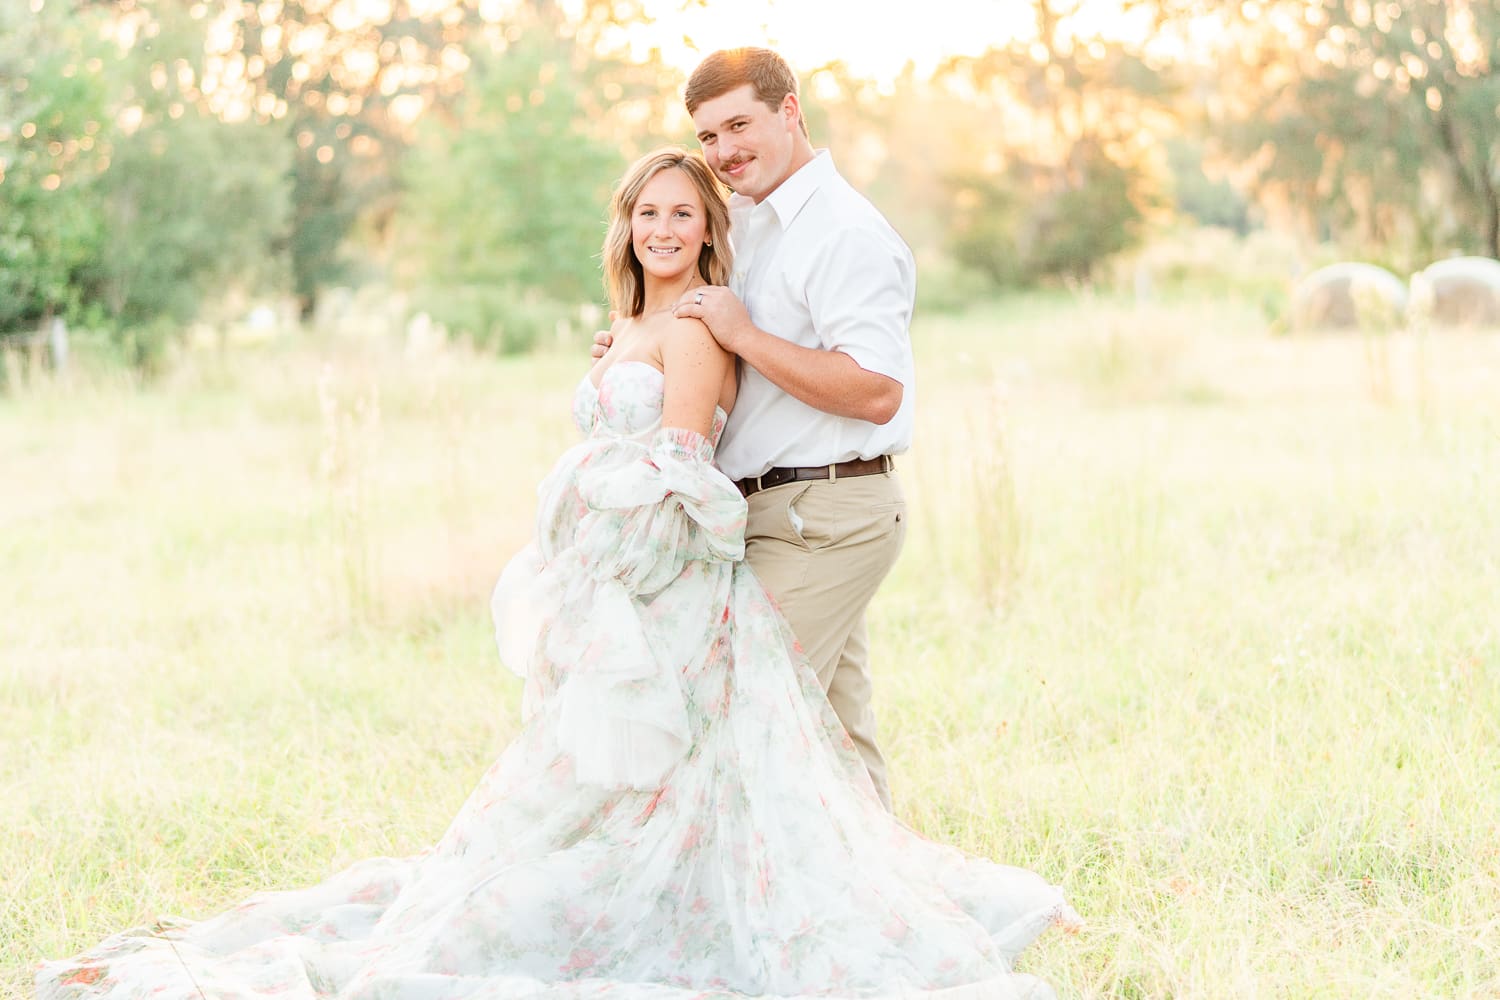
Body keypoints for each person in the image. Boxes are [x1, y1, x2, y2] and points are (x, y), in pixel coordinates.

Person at [36, 149, 1075, 1000]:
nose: (663, 228)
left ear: (708, 230)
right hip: (602, 575)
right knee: (701, 762)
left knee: (728, 759)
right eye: (647, 213)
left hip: (654, 579)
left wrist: (610, 574)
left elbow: (681, 474)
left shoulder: (699, 327)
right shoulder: (632, 327)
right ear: (624, 226)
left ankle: (805, 908)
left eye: (683, 213)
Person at [594, 48, 913, 810]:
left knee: (740, 716)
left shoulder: (843, 232)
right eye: (708, 135)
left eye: (739, 125)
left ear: (789, 110)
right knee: (836, 739)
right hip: (753, 514)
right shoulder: (741, 219)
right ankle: (887, 879)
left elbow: (877, 390)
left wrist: (745, 335)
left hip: (826, 513)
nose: (724, 151)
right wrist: (636, 350)